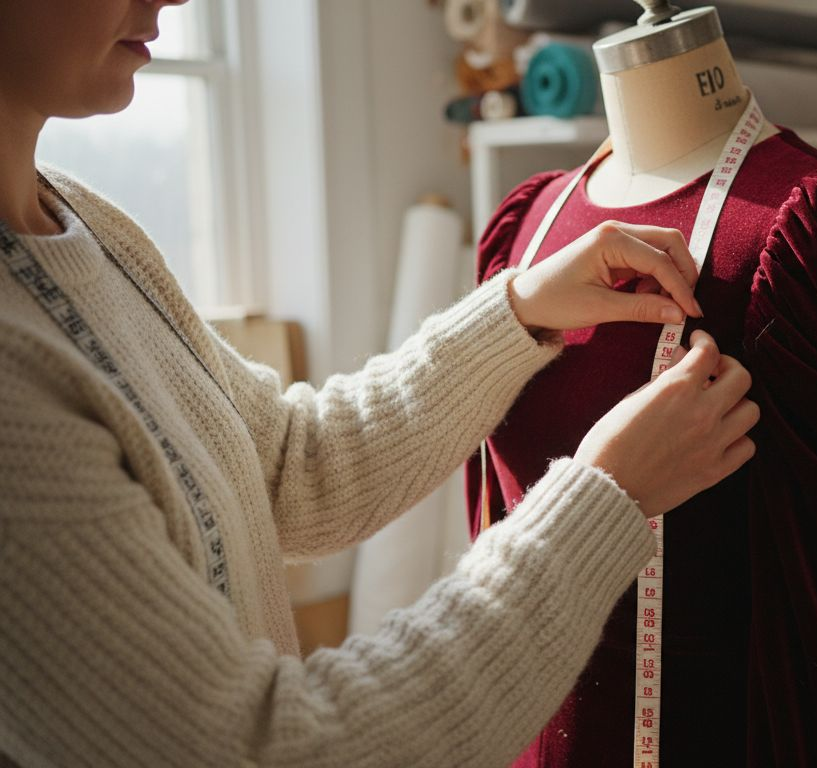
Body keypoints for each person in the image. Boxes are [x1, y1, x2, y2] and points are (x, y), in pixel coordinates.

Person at [0, 1, 760, 765]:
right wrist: (602, 499)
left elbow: (293, 467)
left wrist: (517, 313)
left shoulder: (79, 224)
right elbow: (271, 750)